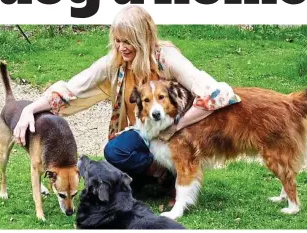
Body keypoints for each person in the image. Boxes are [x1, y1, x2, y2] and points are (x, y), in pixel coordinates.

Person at [13, 6, 241, 200]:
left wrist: (176, 127)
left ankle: (176, 174)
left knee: (122, 168)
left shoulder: (166, 58)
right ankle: (159, 174)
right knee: (114, 152)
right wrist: (30, 109)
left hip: (176, 132)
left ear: (144, 38)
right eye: (118, 41)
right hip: (144, 132)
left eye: (128, 41)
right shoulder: (115, 63)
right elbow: (73, 87)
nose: (122, 47)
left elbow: (213, 93)